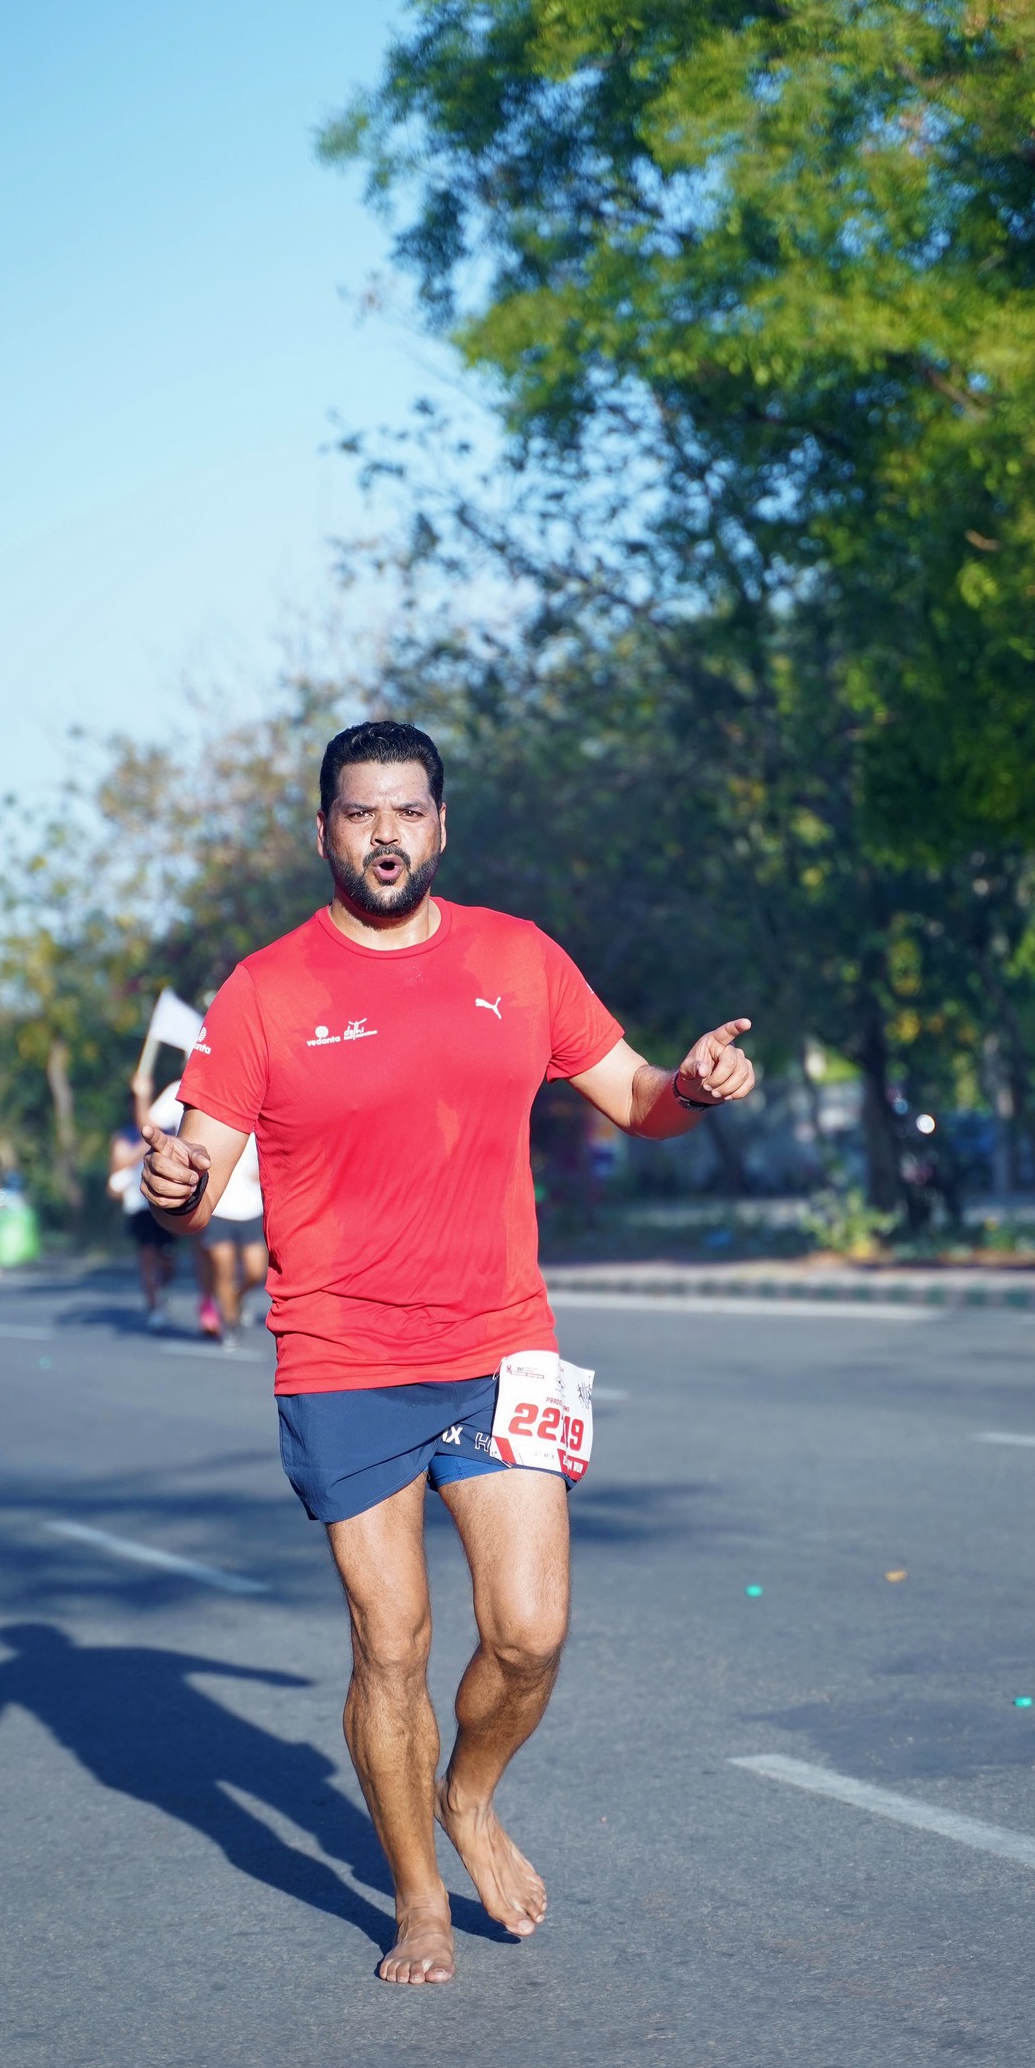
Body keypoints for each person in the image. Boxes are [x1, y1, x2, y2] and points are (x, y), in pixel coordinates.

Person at [140, 719, 755, 1986]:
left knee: (529, 1634)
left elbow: (635, 1097)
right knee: (394, 1646)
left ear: (439, 827)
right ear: (323, 831)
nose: (385, 834)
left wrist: (691, 1084)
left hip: (499, 1342)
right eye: (360, 812)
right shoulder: (264, 992)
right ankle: (418, 1898)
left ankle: (467, 1795)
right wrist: (174, 1186)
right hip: (344, 1355)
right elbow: (199, 1175)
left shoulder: (518, 958)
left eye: (407, 811)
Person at [108, 1084, 178, 1329]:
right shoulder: (125, 1135)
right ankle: (154, 1306)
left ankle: (163, 1288)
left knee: (167, 1259)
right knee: (147, 1257)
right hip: (139, 1205)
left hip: (164, 1204)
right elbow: (118, 1163)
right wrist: (145, 1143)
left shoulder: (168, 1130)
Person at [196, 1132, 266, 1343]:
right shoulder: (211, 1123)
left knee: (256, 1271)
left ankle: (235, 1297)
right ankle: (231, 1324)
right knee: (223, 1270)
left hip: (251, 1207)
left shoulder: (259, 1122)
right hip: (218, 1208)